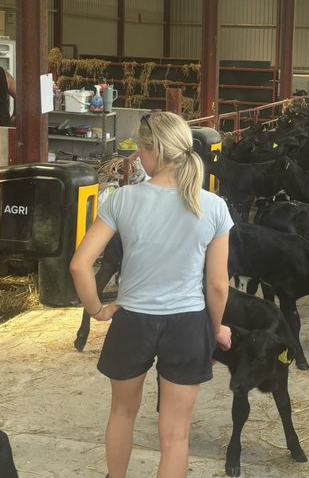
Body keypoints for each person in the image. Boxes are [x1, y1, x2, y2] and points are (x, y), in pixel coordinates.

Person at [70, 112, 232, 478]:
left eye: (139, 150)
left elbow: (80, 265)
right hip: (188, 324)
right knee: (176, 435)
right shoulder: (214, 207)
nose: (137, 158)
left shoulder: (122, 199)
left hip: (132, 321)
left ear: (152, 150)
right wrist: (217, 327)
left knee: (122, 413)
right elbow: (218, 285)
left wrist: (96, 310)